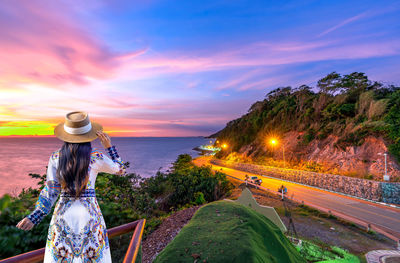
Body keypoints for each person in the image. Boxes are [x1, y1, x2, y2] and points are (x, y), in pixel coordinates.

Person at [16, 111, 127, 262]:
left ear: (66, 136)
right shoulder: (96, 157)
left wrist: (34, 217)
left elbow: (51, 192)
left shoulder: (56, 157)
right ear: (89, 135)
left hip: (63, 216)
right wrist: (109, 146)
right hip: (90, 216)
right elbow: (121, 169)